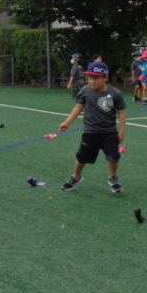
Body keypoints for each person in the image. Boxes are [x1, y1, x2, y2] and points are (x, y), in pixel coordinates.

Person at [57, 60, 127, 194]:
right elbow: (78, 107)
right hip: (91, 131)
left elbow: (122, 113)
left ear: (106, 77)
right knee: (81, 157)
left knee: (114, 157)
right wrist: (66, 122)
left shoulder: (115, 93)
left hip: (109, 132)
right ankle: (76, 176)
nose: (91, 81)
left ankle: (113, 177)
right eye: (89, 78)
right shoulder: (85, 91)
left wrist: (122, 132)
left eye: (95, 78)